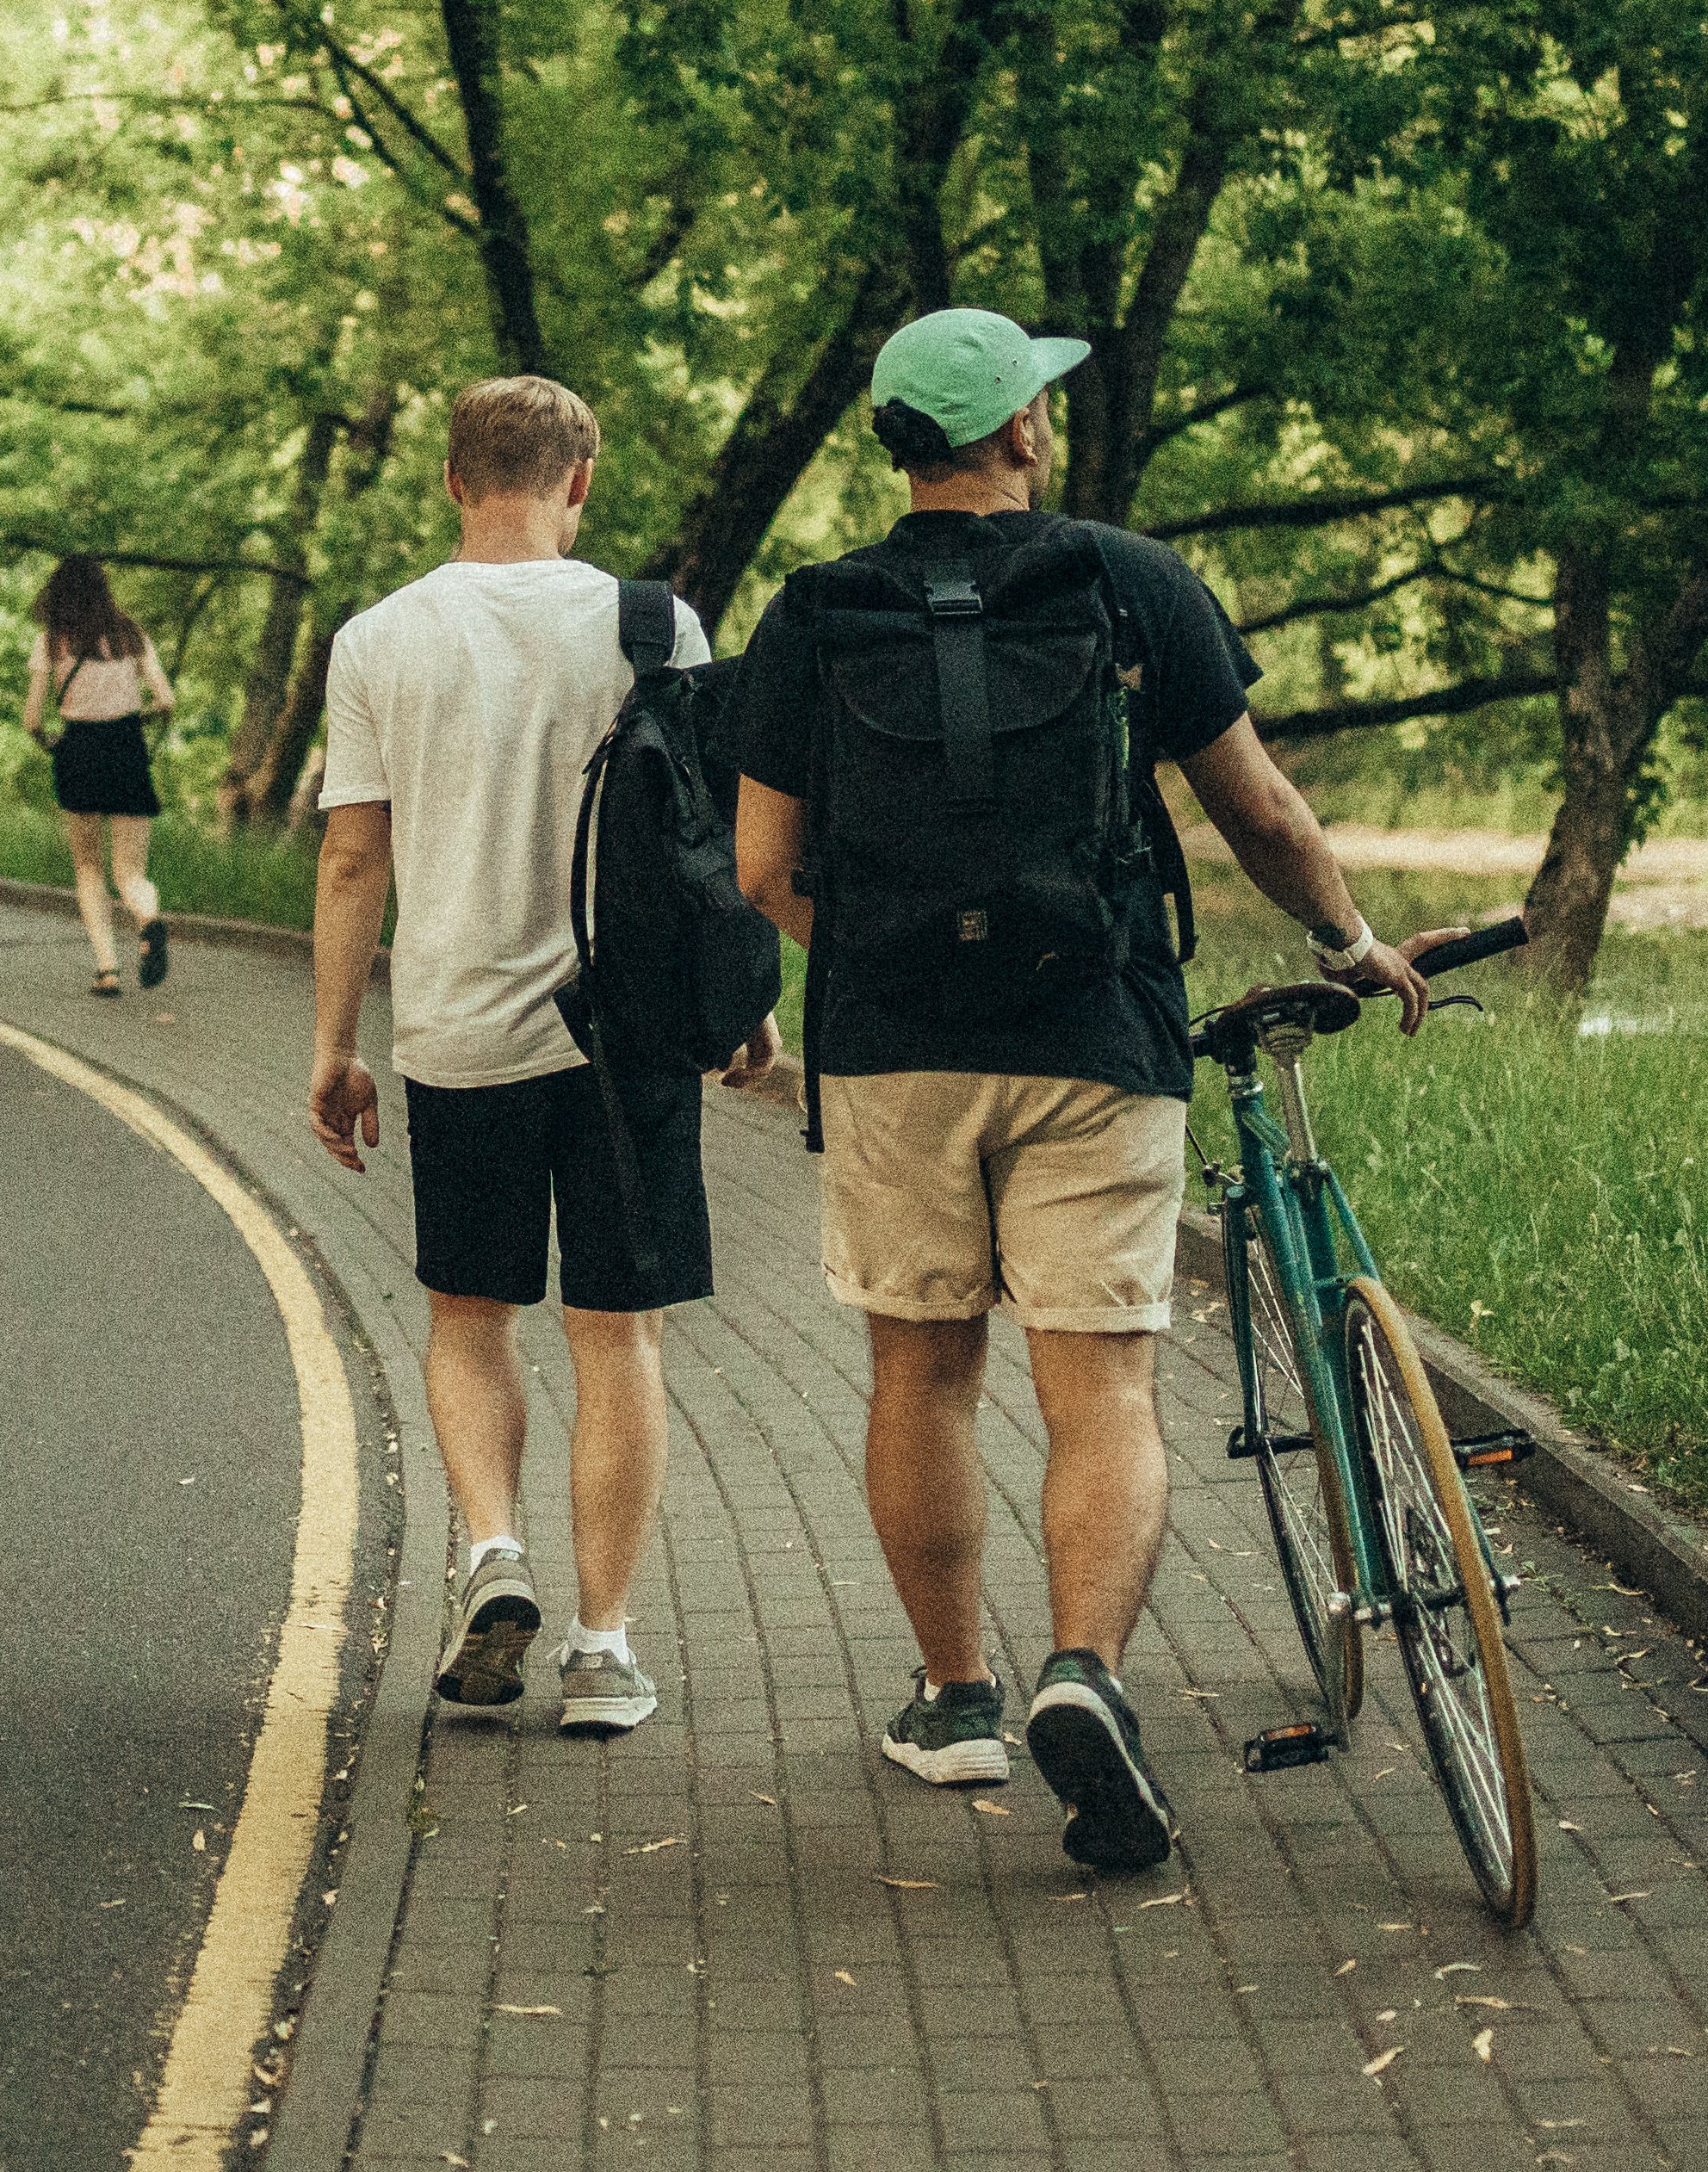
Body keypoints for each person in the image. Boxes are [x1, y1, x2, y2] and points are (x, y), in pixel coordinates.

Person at [730, 311, 1433, 1874]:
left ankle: (955, 1696)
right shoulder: (1131, 580)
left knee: (918, 1374)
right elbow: (1255, 807)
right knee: (1098, 1382)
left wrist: (877, 952)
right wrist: (1350, 937)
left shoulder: (808, 612)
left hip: (890, 1042)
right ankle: (1084, 1671)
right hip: (1096, 1031)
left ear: (900, 443)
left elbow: (762, 869)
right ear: (1022, 432)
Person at [307, 374, 771, 1742]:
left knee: (468, 1315)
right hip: (624, 1036)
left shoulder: (377, 639)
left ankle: (493, 1550)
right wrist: (740, 994)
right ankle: (601, 1648)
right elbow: (710, 836)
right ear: (581, 481)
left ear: (451, 479)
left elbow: (350, 855)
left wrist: (336, 1045)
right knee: (616, 1334)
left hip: (454, 1035)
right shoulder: (652, 625)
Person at [21, 556, 178, 993]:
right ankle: (148, 920)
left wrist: (51, 743)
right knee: (131, 872)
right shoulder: (131, 636)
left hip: (78, 750)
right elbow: (165, 700)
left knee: (88, 865)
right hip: (127, 746)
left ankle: (108, 969)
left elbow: (33, 719)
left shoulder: (53, 643)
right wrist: (134, 718)